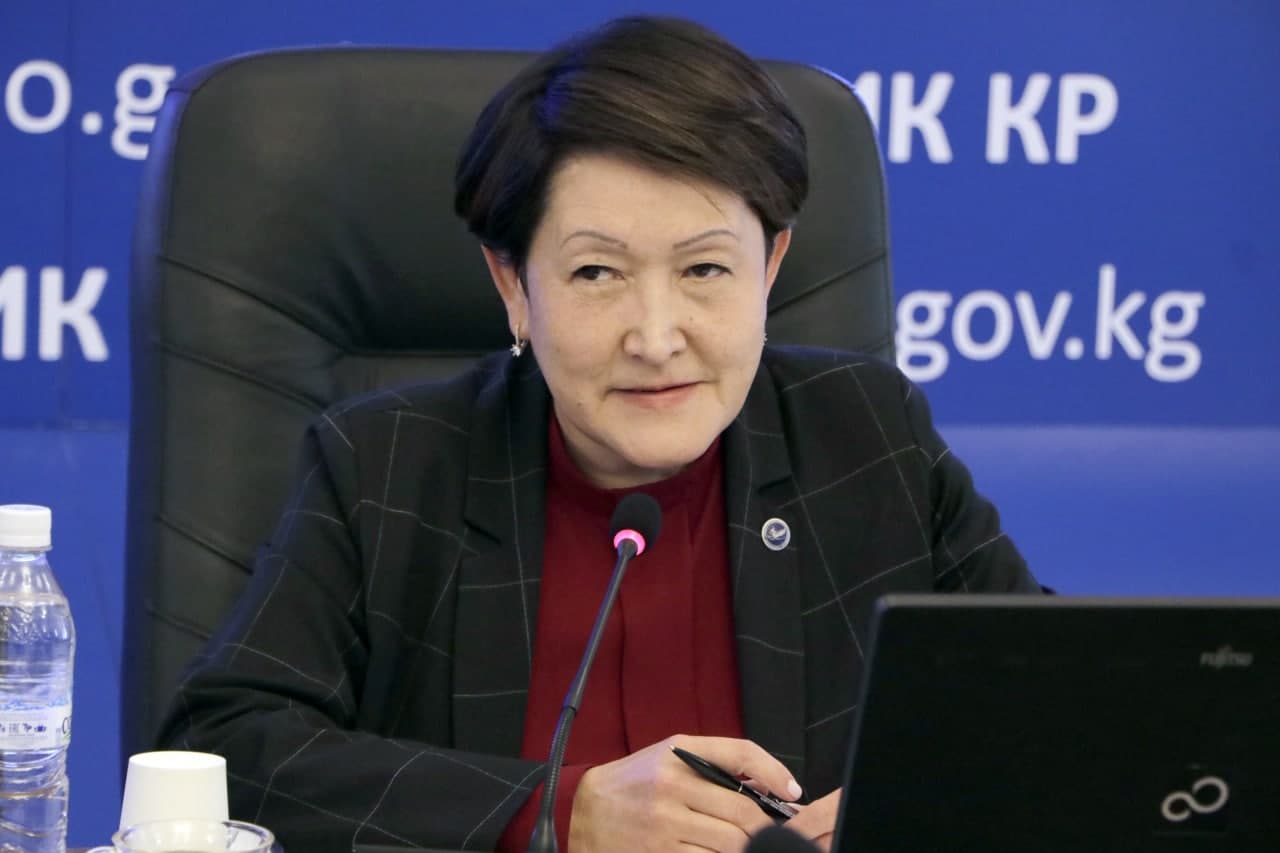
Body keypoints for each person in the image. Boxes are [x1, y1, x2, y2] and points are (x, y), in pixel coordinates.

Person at [158, 15, 1041, 853]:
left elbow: (1062, 704)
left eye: (705, 268)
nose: (655, 337)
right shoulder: (389, 469)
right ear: (513, 286)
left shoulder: (868, 438)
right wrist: (556, 811)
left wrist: (916, 806)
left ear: (770, 268)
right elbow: (224, 751)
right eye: (596, 272)